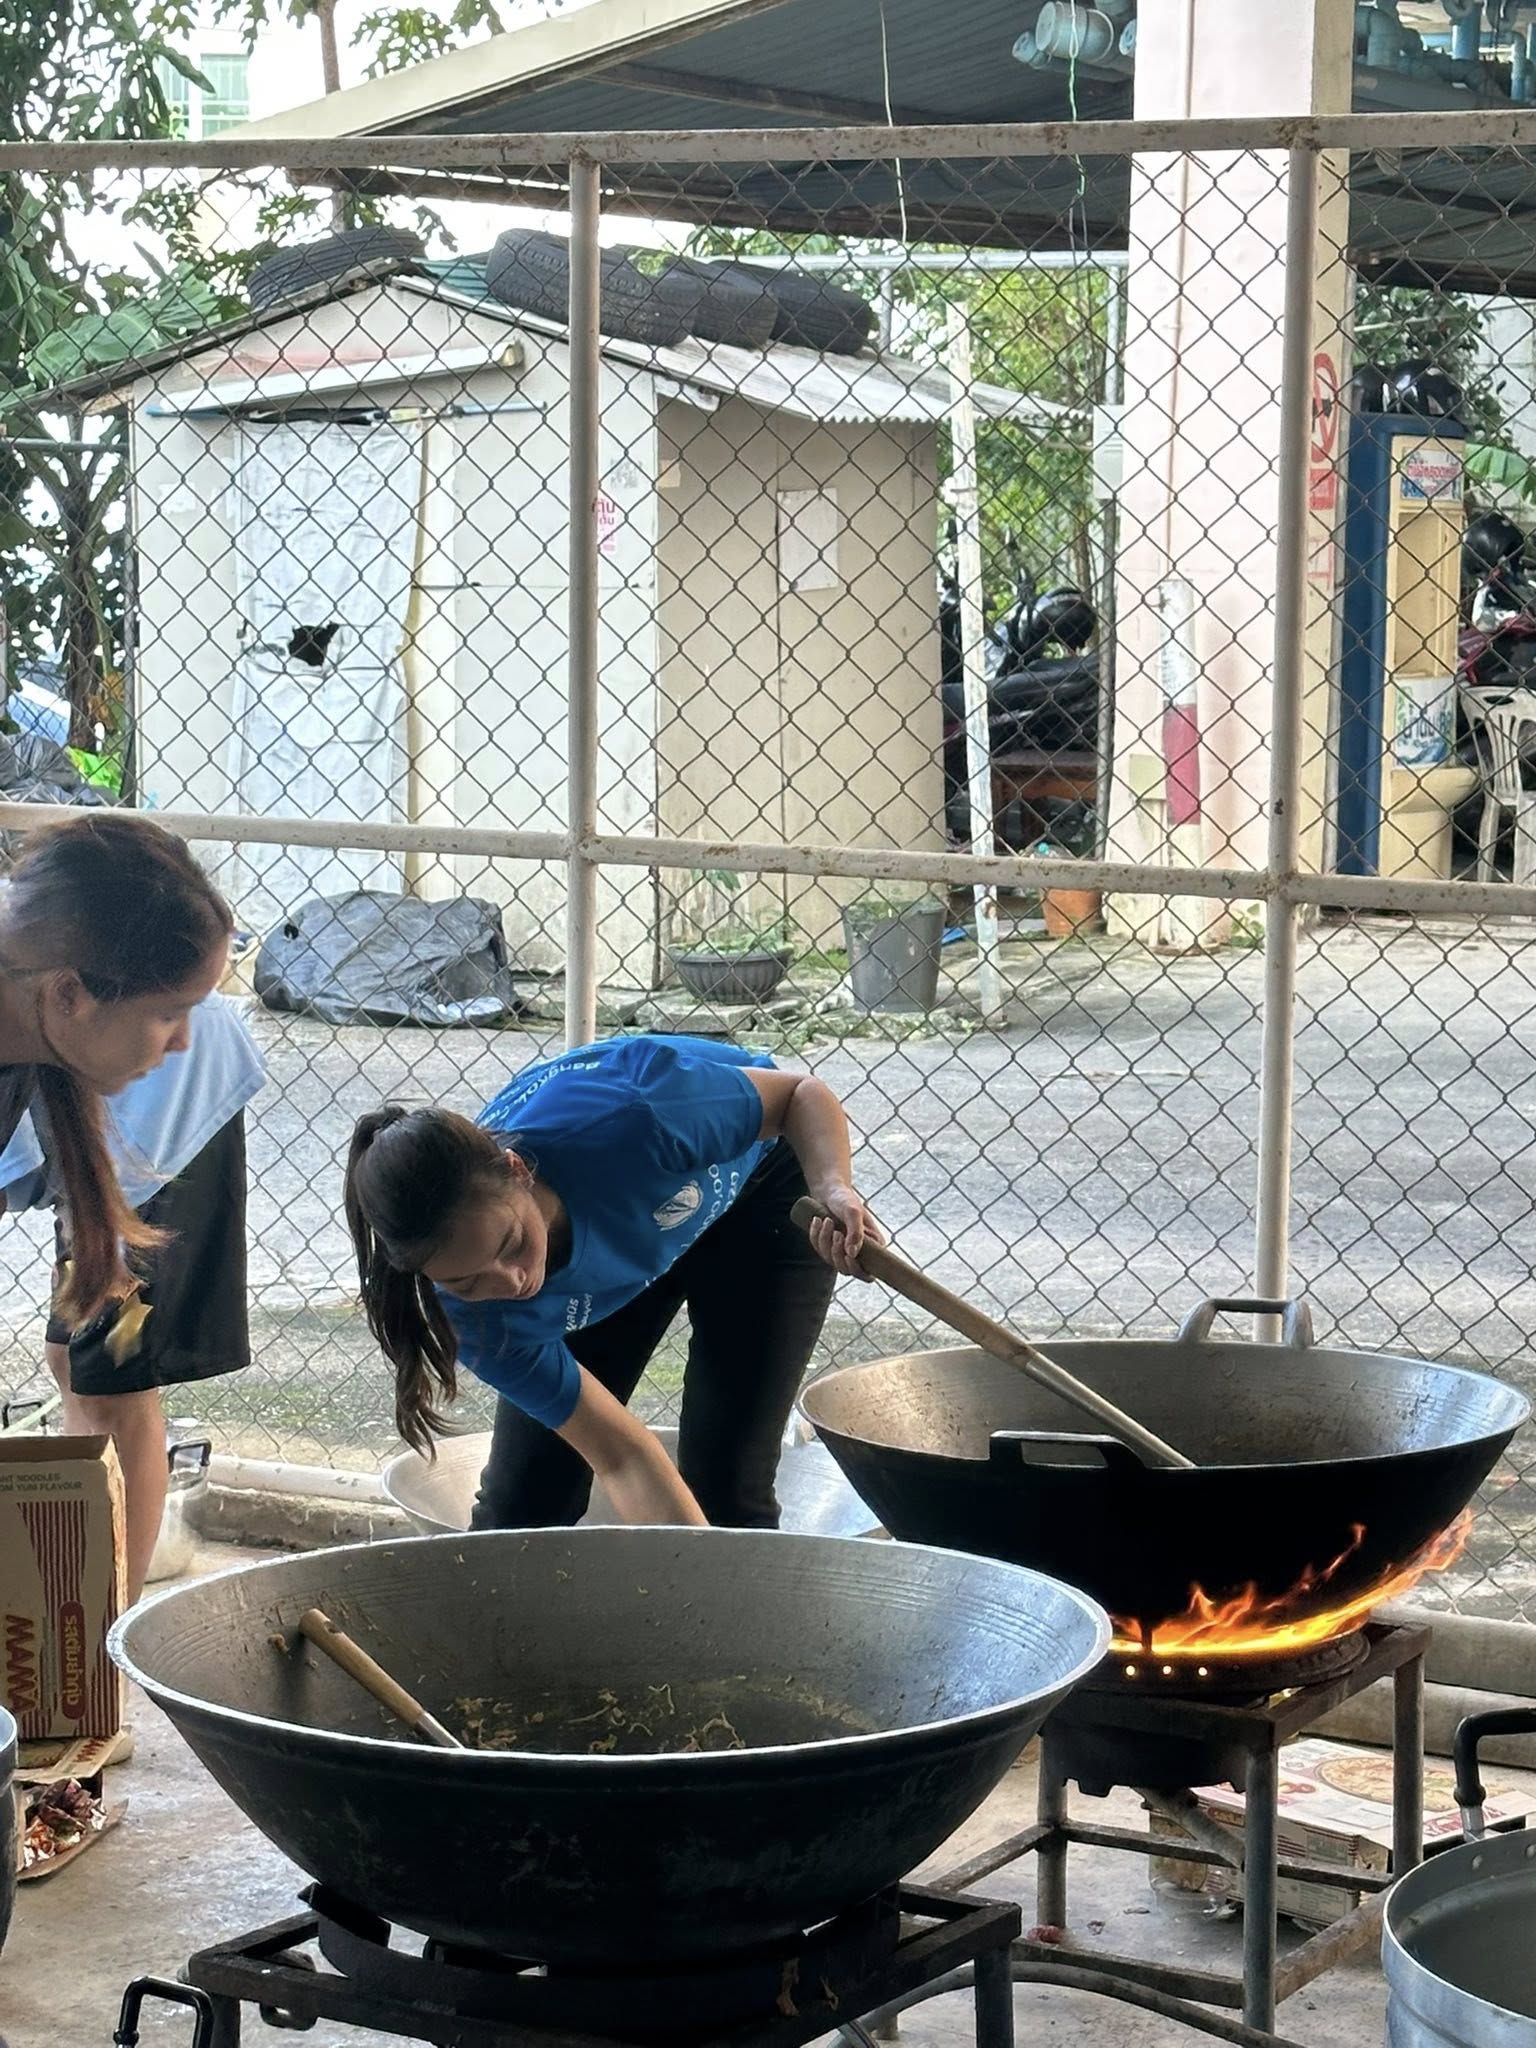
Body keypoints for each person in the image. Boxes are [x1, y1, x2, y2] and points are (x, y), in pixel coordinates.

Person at [345, 1033, 879, 1529]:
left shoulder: (638, 1116)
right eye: (466, 1281)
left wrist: (833, 1186)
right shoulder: (478, 1315)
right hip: (614, 1237)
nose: (514, 1282)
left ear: (518, 1170)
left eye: (510, 1245)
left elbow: (799, 1094)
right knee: (526, 1502)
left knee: (729, 1485)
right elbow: (622, 1457)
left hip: (752, 1184)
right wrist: (500, 1266)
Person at [0, 814, 235, 1596]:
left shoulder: (65, 1031)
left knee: (103, 1365)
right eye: (172, 1013)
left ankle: (98, 1647)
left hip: (165, 1129)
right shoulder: (44, 1006)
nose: (183, 1043)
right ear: (68, 995)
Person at [0, 992, 264, 1604]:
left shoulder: (162, 1055)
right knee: (71, 1360)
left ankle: (106, 1620)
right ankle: (73, 1568)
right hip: (80, 1088)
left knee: (114, 1382)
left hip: (157, 1110)